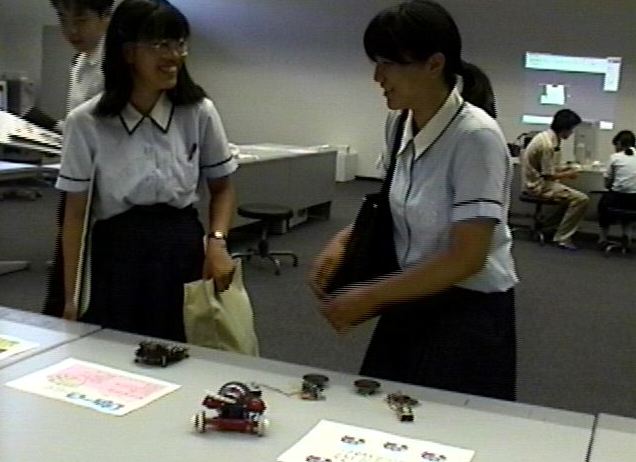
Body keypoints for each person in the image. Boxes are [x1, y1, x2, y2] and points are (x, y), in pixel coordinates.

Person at [310, 0, 518, 401]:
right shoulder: (400, 121)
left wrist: (369, 296)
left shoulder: (476, 137)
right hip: (409, 293)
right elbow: (390, 204)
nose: (378, 77)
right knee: (383, 411)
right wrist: (343, 240)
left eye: (388, 63)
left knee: (446, 425)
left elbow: (467, 258)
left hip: (465, 312)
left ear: (434, 64)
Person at [56, 0, 237, 341]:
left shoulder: (198, 111)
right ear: (127, 53)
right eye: (160, 45)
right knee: (114, 349)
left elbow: (222, 188)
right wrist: (71, 297)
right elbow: (75, 213)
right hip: (118, 251)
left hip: (181, 248)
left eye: (179, 43)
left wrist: (217, 243)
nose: (174, 56)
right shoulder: (86, 122)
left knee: (184, 346)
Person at [43, 0, 113, 317]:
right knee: (66, 266)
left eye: (81, 19)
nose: (71, 30)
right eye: (63, 19)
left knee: (90, 277)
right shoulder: (80, 62)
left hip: (101, 187)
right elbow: (79, 124)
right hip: (75, 178)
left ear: (105, 17)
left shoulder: (114, 66)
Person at [521, 109, 589, 250]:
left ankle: (549, 226)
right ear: (565, 129)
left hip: (537, 181)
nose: (572, 133)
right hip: (537, 186)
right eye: (571, 129)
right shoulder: (547, 145)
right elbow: (548, 175)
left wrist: (565, 168)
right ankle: (562, 238)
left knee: (569, 197)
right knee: (581, 199)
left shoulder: (546, 137)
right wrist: (569, 174)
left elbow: (548, 168)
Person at [598, 130, 636, 247]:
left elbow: (607, 184)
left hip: (617, 199)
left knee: (603, 205)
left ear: (619, 143)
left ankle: (603, 238)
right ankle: (627, 236)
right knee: (629, 210)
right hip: (635, 201)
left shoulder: (615, 157)